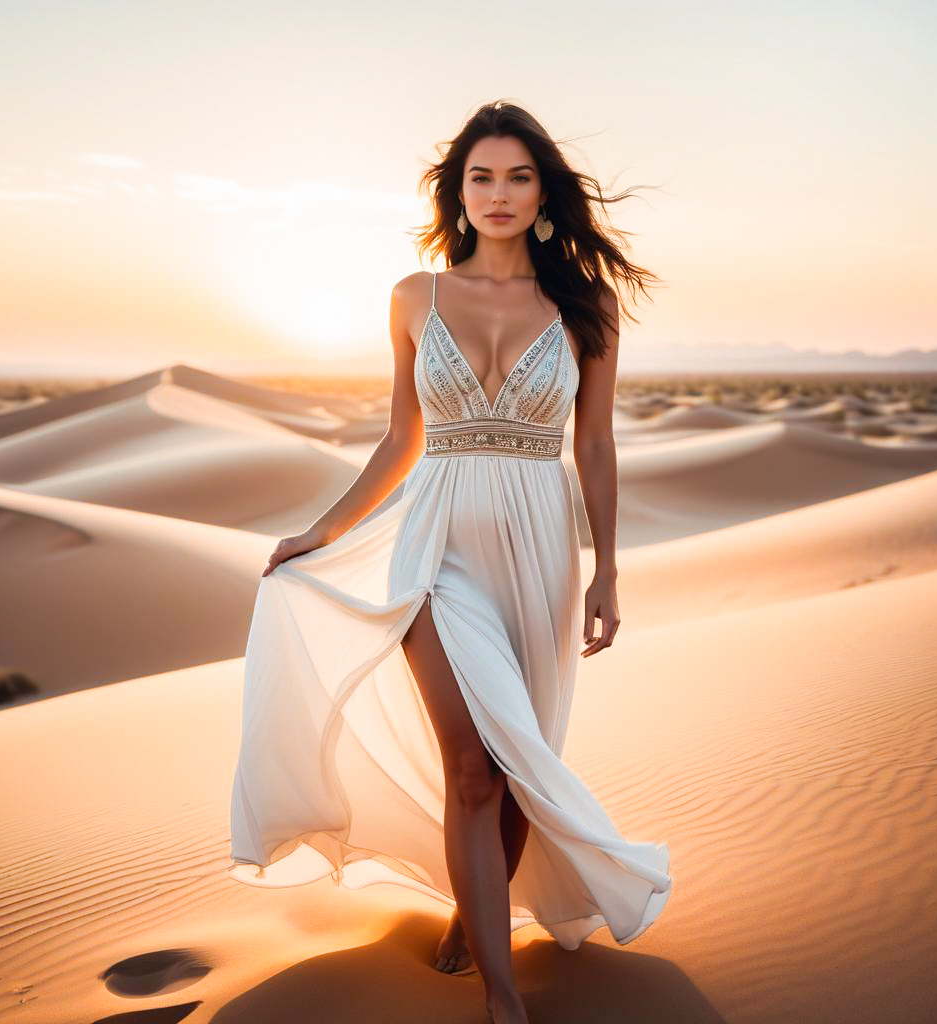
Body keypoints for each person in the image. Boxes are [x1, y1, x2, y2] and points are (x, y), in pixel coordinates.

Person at [229, 100, 672, 1024]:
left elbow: (594, 447)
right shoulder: (413, 297)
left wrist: (608, 569)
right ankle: (502, 995)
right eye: (482, 177)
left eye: (517, 176)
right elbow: (401, 439)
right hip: (433, 544)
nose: (499, 194)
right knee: (472, 766)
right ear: (457, 192)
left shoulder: (584, 307)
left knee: (516, 762)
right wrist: (322, 529)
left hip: (542, 547)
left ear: (542, 191)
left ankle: (476, 922)